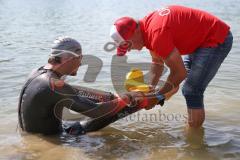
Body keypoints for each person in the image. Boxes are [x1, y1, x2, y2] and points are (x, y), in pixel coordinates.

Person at [109, 5, 233, 128]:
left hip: (215, 38)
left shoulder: (157, 34)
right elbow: (157, 64)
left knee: (191, 90)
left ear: (135, 32)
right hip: (199, 39)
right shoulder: (146, 28)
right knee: (174, 83)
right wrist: (150, 90)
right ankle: (172, 110)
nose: (128, 50)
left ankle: (194, 139)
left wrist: (156, 97)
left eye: (127, 45)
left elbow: (180, 73)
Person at [18, 36, 165, 135]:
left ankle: (145, 99)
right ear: (69, 58)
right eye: (80, 58)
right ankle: (147, 100)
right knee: (113, 110)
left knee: (113, 103)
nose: (81, 62)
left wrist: (110, 97)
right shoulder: (53, 83)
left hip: (34, 135)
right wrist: (126, 99)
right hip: (54, 138)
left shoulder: (39, 73)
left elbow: (73, 91)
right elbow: (96, 112)